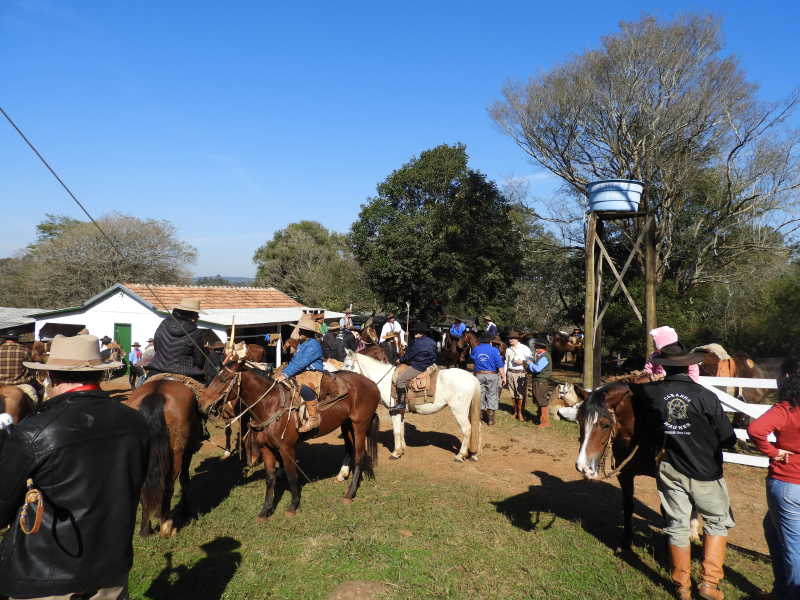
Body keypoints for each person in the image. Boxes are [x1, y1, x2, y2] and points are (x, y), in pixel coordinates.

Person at [0, 334, 150, 600]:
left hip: (45, 574)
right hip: (112, 565)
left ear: (52, 378)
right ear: (99, 376)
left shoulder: (32, 432)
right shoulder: (136, 421)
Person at [638, 342, 737, 600]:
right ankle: (709, 584)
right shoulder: (706, 396)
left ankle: (681, 587)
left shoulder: (650, 392)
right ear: (687, 364)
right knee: (716, 521)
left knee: (677, 524)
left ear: (665, 366)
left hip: (670, 466)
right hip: (705, 470)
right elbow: (727, 438)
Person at [748, 355, 800, 600]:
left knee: (793, 545)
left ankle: (791, 595)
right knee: (772, 529)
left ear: (787, 378)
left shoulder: (787, 408)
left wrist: (773, 451)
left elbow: (755, 430)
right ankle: (781, 590)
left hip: (788, 483)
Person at [275, 320, 324, 433]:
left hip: (313, 372)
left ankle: (313, 419)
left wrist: (286, 374)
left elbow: (302, 363)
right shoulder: (301, 344)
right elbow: (294, 362)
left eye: (302, 330)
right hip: (301, 371)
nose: (299, 331)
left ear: (308, 332)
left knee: (306, 389)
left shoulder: (314, 344)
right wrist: (283, 374)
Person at [146, 298, 207, 381]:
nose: (198, 316)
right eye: (197, 313)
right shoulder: (196, 332)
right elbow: (199, 360)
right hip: (186, 372)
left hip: (157, 369)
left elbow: (157, 347)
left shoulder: (163, 324)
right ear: (191, 315)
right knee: (204, 390)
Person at [394, 322, 438, 412]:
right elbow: (434, 356)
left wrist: (401, 360)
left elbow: (410, 354)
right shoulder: (433, 342)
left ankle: (401, 403)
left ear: (422, 332)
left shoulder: (417, 342)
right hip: (429, 365)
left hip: (418, 366)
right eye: (414, 332)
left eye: (416, 332)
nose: (414, 333)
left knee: (400, 380)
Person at [471, 330, 506, 426]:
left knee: (479, 396)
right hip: (492, 374)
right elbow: (499, 364)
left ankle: (479, 419)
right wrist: (503, 376)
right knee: (492, 395)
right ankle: (490, 420)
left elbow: (472, 358)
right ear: (490, 341)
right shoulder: (495, 350)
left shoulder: (475, 349)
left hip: (479, 375)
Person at [0, 328, 41, 401]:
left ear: (5, 339)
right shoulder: (23, 349)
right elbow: (30, 366)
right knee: (40, 391)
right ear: (17, 339)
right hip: (20, 383)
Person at [524, 338, 553, 428]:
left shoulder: (544, 357)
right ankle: (539, 417)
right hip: (538, 380)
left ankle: (546, 422)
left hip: (541, 381)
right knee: (538, 399)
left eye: (536, 345)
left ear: (540, 347)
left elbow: (537, 368)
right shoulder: (541, 355)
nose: (535, 347)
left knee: (542, 400)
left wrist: (529, 363)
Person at [505, 331, 532, 422]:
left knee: (520, 394)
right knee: (513, 393)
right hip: (510, 372)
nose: (510, 340)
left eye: (512, 338)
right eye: (509, 338)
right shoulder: (508, 349)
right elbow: (506, 362)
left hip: (520, 373)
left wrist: (523, 361)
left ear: (517, 339)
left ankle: (521, 413)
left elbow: (531, 358)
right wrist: (504, 374)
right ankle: (515, 412)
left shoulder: (524, 348)